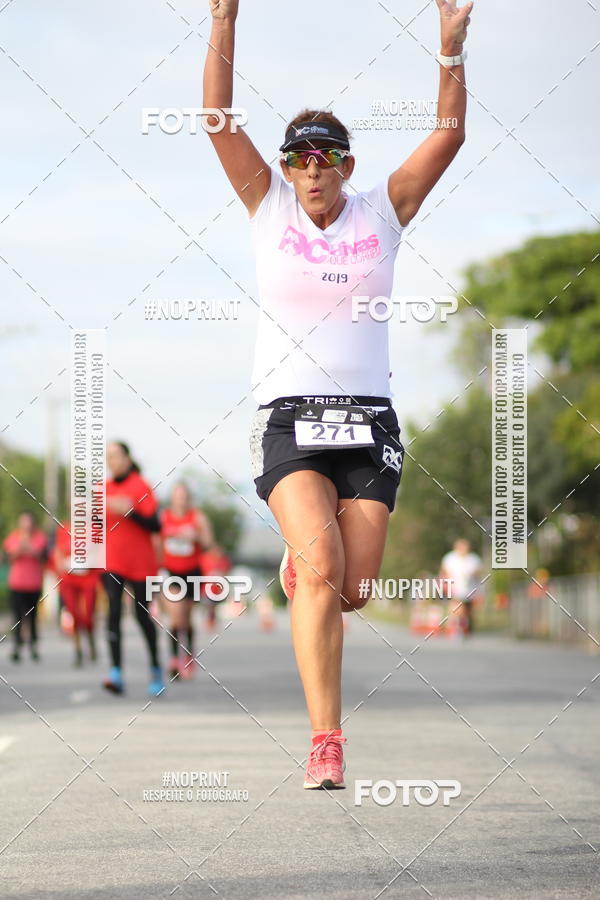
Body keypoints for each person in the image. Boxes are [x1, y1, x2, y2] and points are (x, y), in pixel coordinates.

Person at [204, 0, 472, 789]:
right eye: (300, 157)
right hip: (287, 417)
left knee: (350, 588)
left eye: (328, 157)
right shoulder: (269, 208)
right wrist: (224, 18)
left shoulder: (381, 213)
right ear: (287, 169)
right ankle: (327, 738)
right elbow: (218, 119)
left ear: (347, 167)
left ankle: (308, 564)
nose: (313, 168)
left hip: (369, 419)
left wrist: (450, 52)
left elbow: (449, 138)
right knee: (321, 560)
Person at [103, 441, 165, 696]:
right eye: (108, 457)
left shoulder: (141, 486)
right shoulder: (102, 489)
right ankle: (116, 672)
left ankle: (155, 668)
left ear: (128, 458)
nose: (112, 461)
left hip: (141, 564)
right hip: (111, 562)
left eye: (117, 456)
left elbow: (155, 525)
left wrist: (129, 511)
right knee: (114, 609)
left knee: (142, 617)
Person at [159, 482, 213, 679]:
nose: (180, 500)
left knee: (186, 618)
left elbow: (209, 544)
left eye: (184, 496)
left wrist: (196, 536)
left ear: (188, 498)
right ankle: (174, 659)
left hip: (192, 572)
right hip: (170, 571)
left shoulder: (197, 517)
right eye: (177, 496)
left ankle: (189, 654)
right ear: (172, 498)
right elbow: (155, 541)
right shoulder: (163, 517)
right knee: (176, 614)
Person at [52, 519, 100, 666]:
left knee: (88, 613)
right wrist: (60, 564)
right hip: (69, 578)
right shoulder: (64, 529)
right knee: (73, 613)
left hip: (89, 577)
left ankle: (90, 635)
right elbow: (58, 551)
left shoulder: (95, 530)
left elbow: (101, 552)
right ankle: (78, 649)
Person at [3, 511, 48, 662]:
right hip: (16, 583)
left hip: (34, 584)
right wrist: (22, 547)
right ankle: (17, 647)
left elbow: (39, 554)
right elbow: (10, 555)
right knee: (17, 617)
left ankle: (33, 646)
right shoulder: (13, 537)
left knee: (32, 617)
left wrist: (26, 546)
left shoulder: (40, 537)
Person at [439, 538, 483, 636]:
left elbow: (479, 572)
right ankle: (456, 628)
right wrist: (444, 585)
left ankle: (467, 628)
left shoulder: (473, 559)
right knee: (457, 610)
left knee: (468, 611)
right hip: (455, 589)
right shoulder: (450, 558)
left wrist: (473, 575)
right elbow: (443, 572)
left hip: (470, 590)